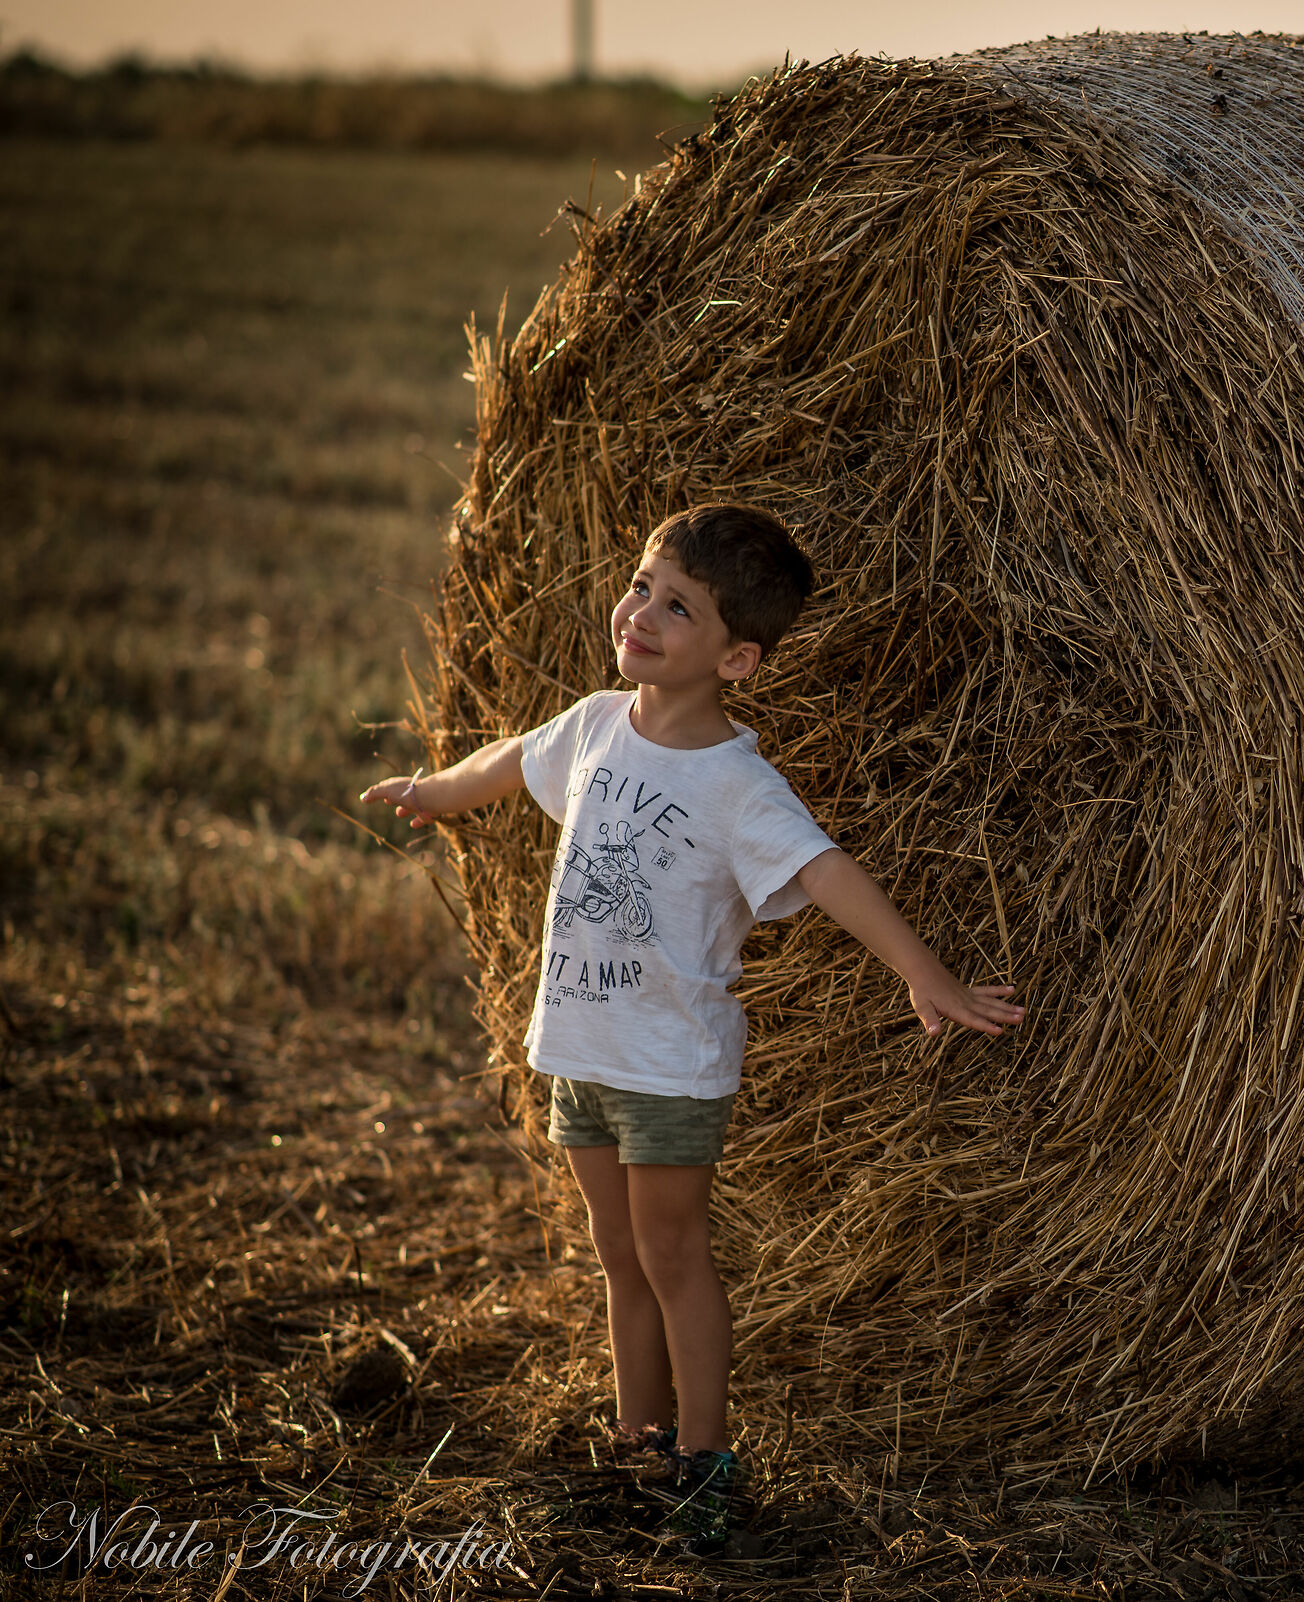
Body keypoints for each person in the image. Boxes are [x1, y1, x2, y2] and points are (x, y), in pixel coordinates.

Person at [360, 502, 1024, 1554]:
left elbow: (827, 871)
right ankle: (638, 1439)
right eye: (642, 587)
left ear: (739, 658)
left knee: (674, 1259)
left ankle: (707, 1460)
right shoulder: (591, 723)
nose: (643, 614)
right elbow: (510, 757)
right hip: (578, 1048)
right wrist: (437, 791)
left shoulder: (736, 785)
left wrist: (924, 974)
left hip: (670, 1065)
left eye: (680, 607)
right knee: (616, 1254)